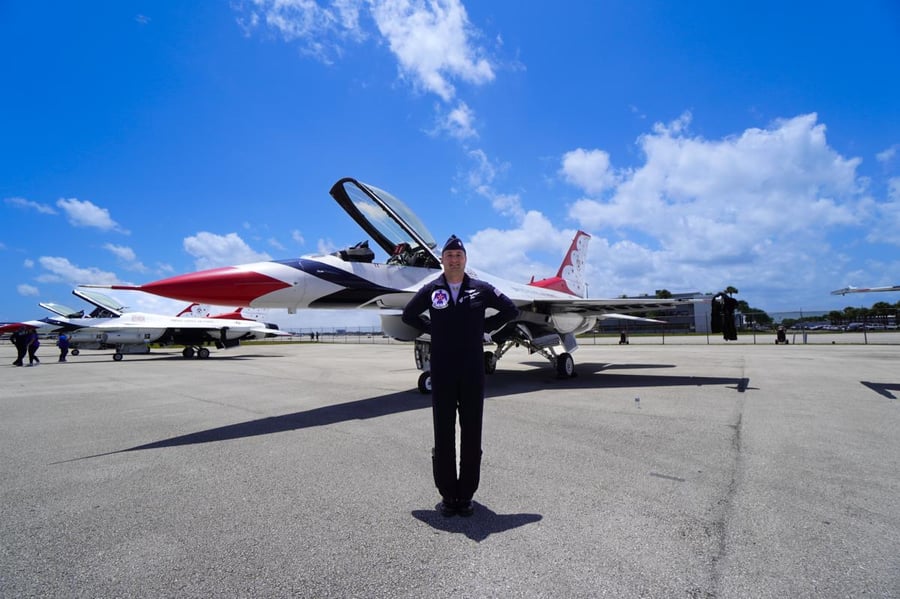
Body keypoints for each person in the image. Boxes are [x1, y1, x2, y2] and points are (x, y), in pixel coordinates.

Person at [402, 234, 518, 517]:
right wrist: (433, 329)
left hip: (471, 370)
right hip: (441, 370)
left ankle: (466, 496)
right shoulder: (432, 290)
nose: (454, 260)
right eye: (449, 256)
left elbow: (511, 311)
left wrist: (483, 326)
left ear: (465, 260)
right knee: (443, 433)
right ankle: (447, 495)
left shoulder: (481, 289)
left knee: (471, 432)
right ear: (442, 260)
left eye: (458, 256)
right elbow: (408, 315)